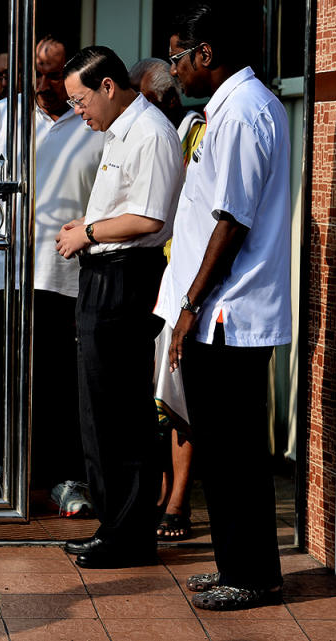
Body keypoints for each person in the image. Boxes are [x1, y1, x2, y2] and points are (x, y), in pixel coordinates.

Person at [154, 2, 292, 610]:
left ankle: (254, 575)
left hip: (229, 314)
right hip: (219, 312)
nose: (175, 70)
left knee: (235, 455)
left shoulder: (242, 114)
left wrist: (190, 305)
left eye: (180, 56)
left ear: (207, 54)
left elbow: (230, 223)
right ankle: (237, 564)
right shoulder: (230, 108)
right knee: (223, 450)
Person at [0, 35, 105, 516]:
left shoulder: (93, 122)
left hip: (66, 273)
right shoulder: (0, 116)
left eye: (55, 73)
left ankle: (63, 478)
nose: (45, 83)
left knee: (61, 381)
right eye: (38, 72)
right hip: (0, 270)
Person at [55, 46, 183, 568]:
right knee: (97, 408)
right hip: (104, 274)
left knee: (120, 411)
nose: (77, 111)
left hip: (126, 278)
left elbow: (149, 219)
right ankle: (114, 525)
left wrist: (86, 232)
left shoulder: (150, 133)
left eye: (81, 99)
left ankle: (129, 533)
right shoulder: (118, 131)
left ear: (109, 86)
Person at [129, 57, 207, 542]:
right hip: (149, 276)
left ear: (167, 100)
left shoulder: (193, 134)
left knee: (178, 394)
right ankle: (158, 491)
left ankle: (179, 500)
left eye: (145, 98)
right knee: (151, 393)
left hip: (185, 278)